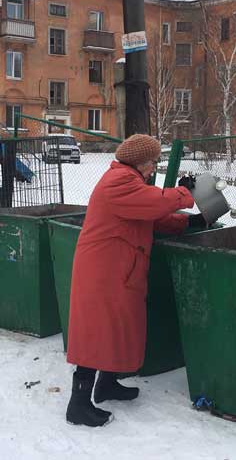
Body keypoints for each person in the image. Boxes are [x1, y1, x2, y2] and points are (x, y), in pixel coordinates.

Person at [65, 134, 206, 427]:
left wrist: (189, 221)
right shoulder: (119, 182)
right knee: (98, 332)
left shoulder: (128, 181)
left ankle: (106, 385)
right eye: (153, 162)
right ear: (140, 161)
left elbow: (147, 216)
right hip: (103, 270)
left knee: (118, 329)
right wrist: (183, 192)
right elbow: (153, 204)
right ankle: (78, 406)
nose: (154, 167)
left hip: (118, 268)